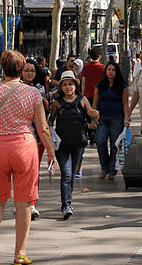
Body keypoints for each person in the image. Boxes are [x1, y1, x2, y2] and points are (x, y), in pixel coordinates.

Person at [0, 50, 56, 265]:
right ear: (22, 68)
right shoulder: (33, 93)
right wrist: (51, 153)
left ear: (2, 67)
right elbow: (43, 128)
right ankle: (20, 253)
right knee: (24, 203)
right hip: (24, 147)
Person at [48, 70, 99, 219]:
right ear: (61, 87)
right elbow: (51, 120)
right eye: (65, 84)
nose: (68, 87)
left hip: (78, 143)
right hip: (62, 144)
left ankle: (67, 201)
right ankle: (66, 204)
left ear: (75, 86)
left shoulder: (82, 100)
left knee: (71, 175)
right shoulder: (57, 102)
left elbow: (90, 112)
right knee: (66, 174)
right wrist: (46, 132)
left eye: (71, 84)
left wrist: (95, 114)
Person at [93, 62, 130, 179]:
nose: (110, 72)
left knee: (115, 144)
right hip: (102, 118)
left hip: (117, 118)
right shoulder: (100, 85)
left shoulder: (122, 87)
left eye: (113, 70)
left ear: (117, 72)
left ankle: (111, 170)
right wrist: (93, 117)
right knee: (100, 141)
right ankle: (104, 167)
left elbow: (125, 104)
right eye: (108, 69)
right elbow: (95, 103)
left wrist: (127, 117)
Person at [22, 59, 46, 220]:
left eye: (32, 71)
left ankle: (31, 203)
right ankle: (22, 202)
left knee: (33, 172)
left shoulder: (40, 90)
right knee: (22, 172)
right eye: (26, 70)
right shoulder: (14, 88)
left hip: (36, 137)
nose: (30, 73)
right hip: (20, 137)